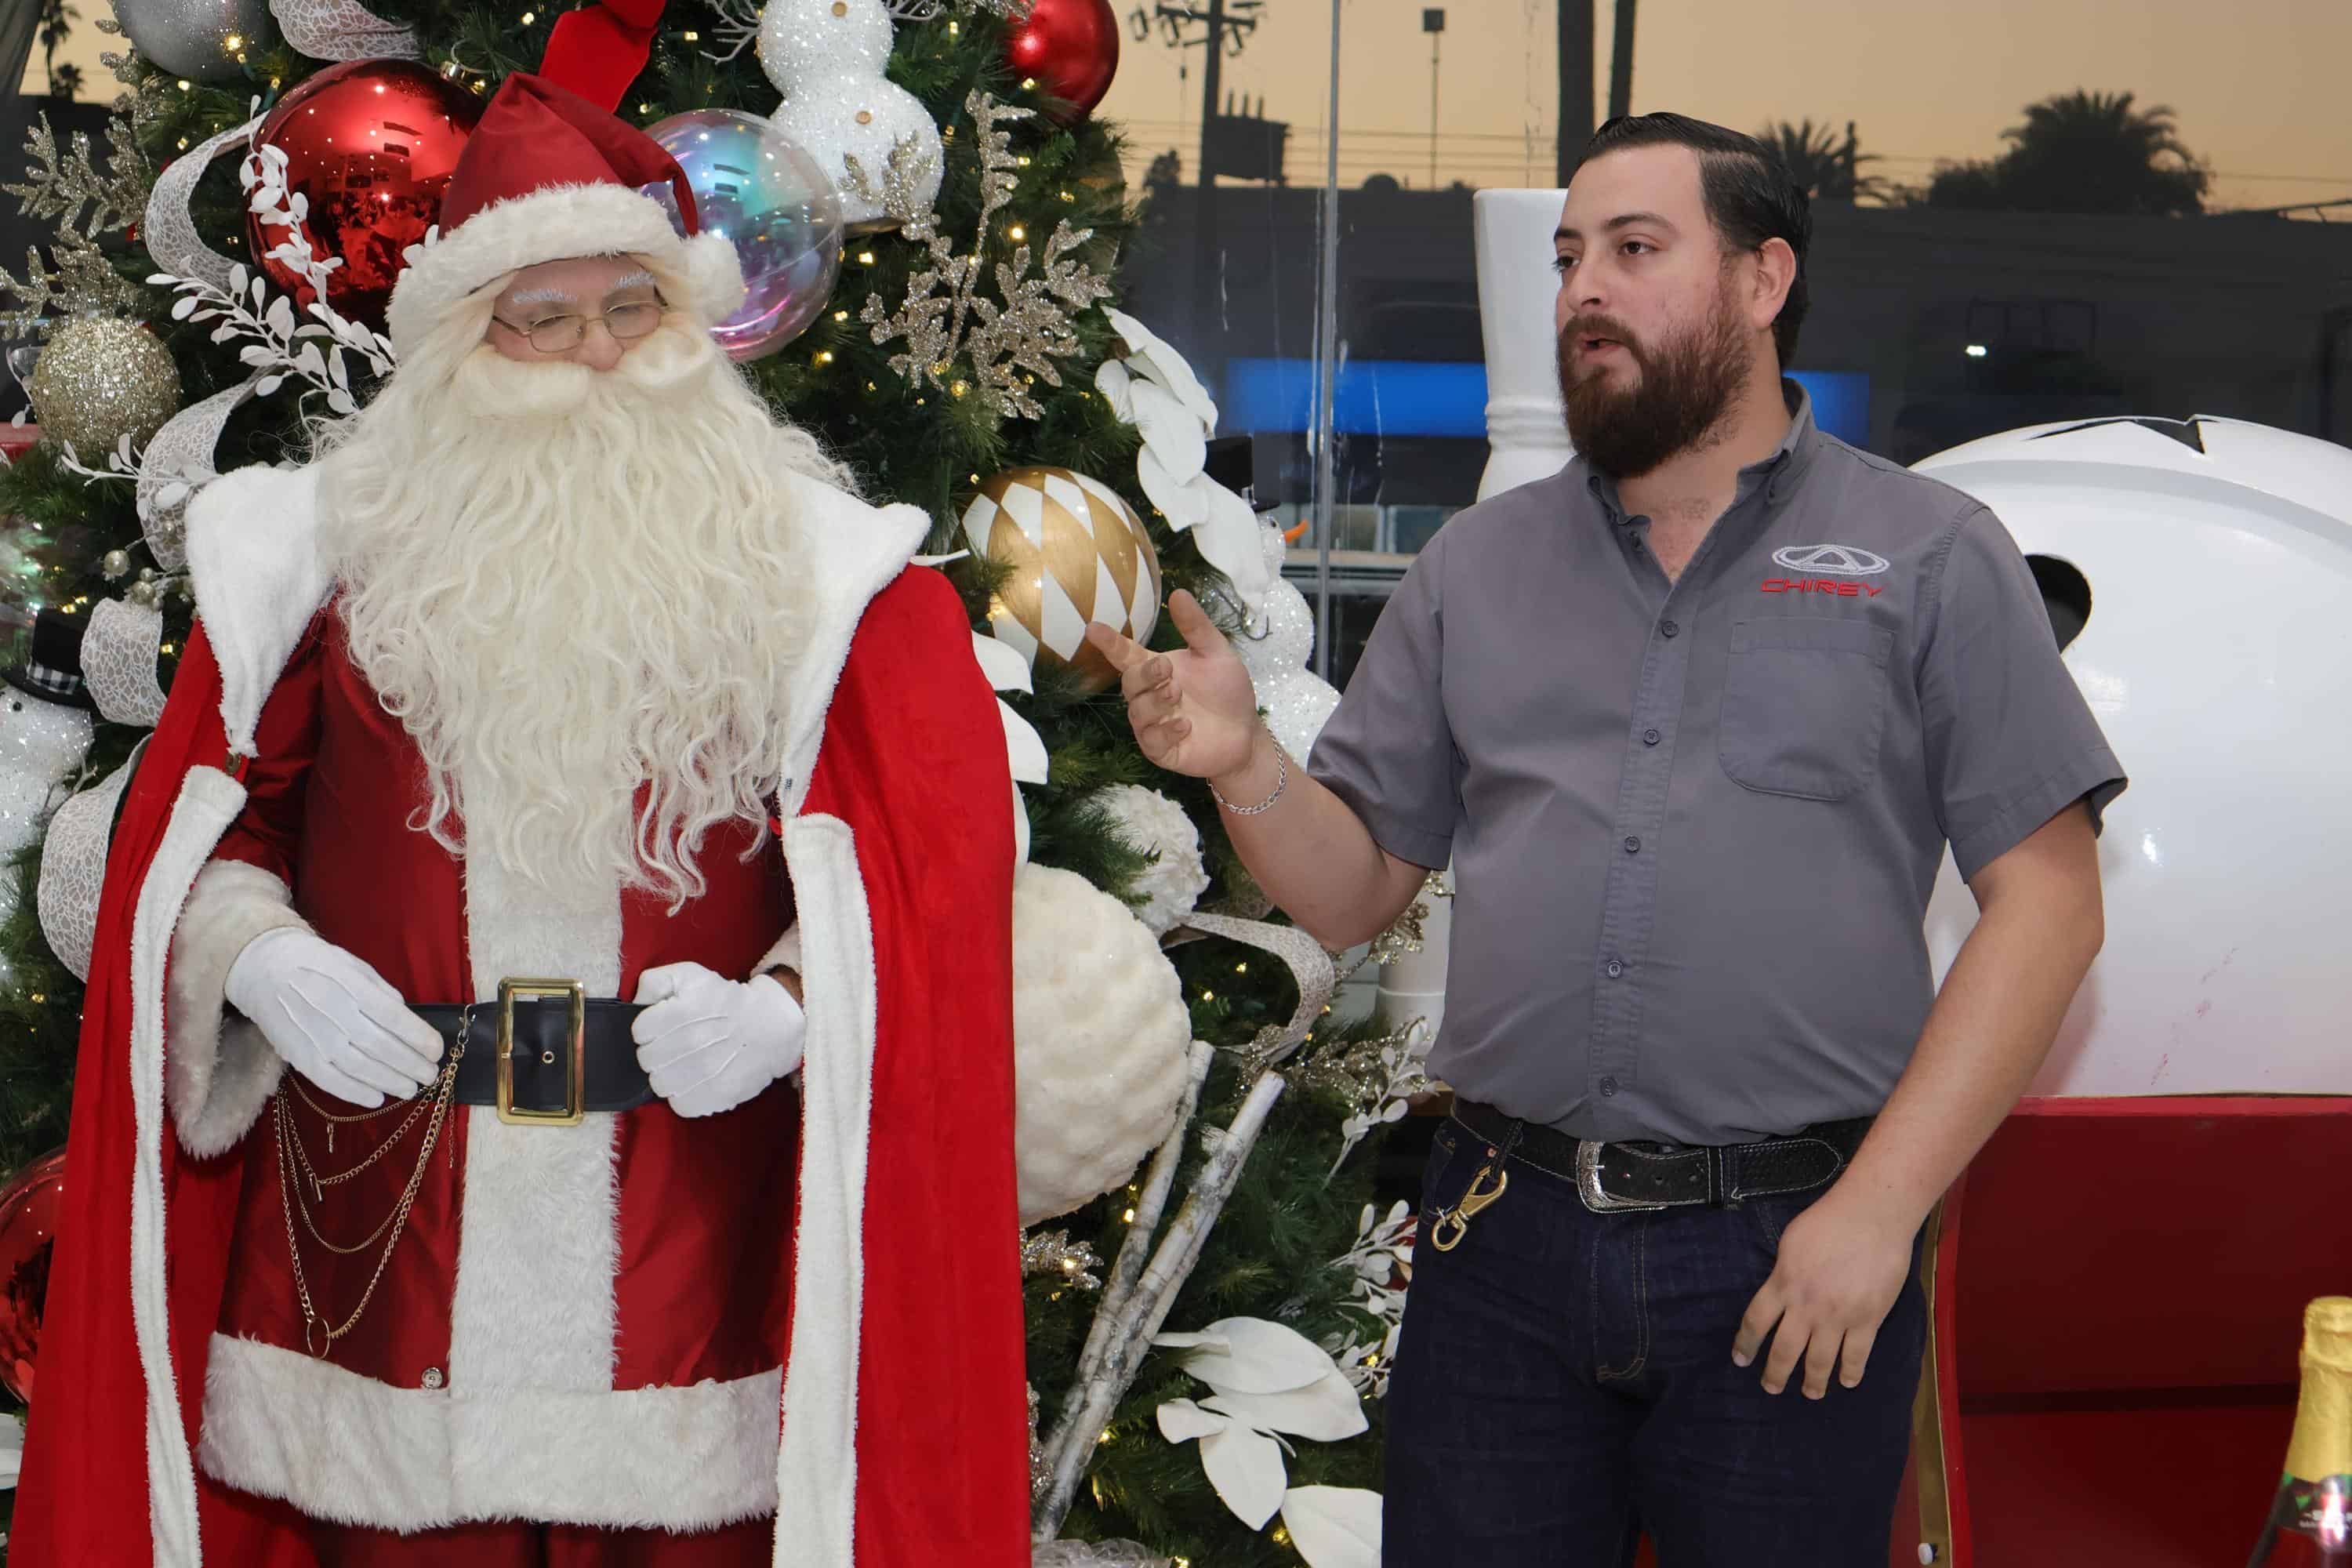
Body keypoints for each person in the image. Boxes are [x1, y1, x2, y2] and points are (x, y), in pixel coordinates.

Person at [14, 73, 1029, 1567]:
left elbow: (926, 862)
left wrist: (795, 1006)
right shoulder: (321, 571)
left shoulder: (820, 579)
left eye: (628, 306)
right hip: (383, 1243)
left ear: (688, 323)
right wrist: (252, 958)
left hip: (700, 1254)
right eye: (537, 318)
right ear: (453, 346)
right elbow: (212, 831)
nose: (594, 353)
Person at [1090, 112, 2123, 1566]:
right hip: (1495, 1250)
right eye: (1571, 256)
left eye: (1637, 251)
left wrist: (1878, 1214)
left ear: (1762, 282)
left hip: (1792, 1256)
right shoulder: (1474, 568)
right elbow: (1348, 895)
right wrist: (1245, 760)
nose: (1583, 289)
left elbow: (2050, 909)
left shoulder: (1932, 555)